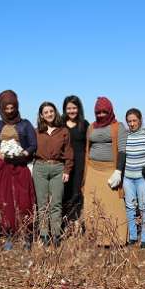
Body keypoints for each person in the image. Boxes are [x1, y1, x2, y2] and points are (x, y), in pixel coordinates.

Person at [0, 90, 37, 251]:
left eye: (12, 108)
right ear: (2, 109)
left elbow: (33, 145)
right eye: (7, 108)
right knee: (5, 200)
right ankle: (9, 233)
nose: (10, 111)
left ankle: (27, 234)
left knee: (24, 200)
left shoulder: (25, 124)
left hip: (20, 165)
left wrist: (23, 154)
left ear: (17, 107)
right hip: (2, 166)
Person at [83, 96, 128, 246]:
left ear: (110, 111)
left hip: (110, 170)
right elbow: (88, 149)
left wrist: (118, 171)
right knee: (92, 202)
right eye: (98, 112)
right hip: (93, 170)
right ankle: (95, 237)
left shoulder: (118, 126)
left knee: (114, 204)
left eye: (104, 111)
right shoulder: (91, 127)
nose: (101, 114)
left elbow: (122, 150)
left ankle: (116, 238)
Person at [32, 102, 73, 246]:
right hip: (40, 168)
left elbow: (68, 152)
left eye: (51, 111)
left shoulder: (63, 131)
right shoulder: (36, 132)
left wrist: (67, 170)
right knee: (42, 204)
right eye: (46, 112)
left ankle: (56, 234)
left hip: (58, 168)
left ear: (55, 112)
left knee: (56, 203)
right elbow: (30, 149)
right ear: (41, 115)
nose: (49, 114)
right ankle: (44, 234)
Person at [123, 108, 145, 249]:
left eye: (134, 120)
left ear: (140, 120)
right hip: (127, 178)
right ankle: (132, 236)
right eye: (129, 121)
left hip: (142, 178)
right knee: (130, 207)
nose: (131, 124)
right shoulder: (124, 137)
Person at [61, 96, 89, 226]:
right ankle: (64, 222)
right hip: (64, 163)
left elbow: (90, 145)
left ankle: (76, 222)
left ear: (79, 108)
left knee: (77, 192)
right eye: (69, 108)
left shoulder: (85, 124)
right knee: (64, 191)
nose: (71, 111)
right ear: (64, 109)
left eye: (74, 108)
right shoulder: (60, 123)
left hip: (80, 163)